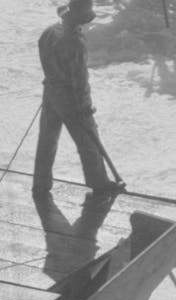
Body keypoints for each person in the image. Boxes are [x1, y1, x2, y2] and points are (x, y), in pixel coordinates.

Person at [32, 0, 125, 199]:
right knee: (88, 143)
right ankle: (99, 183)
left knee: (47, 140)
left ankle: (40, 183)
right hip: (71, 99)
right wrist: (84, 107)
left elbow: (48, 64)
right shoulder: (75, 43)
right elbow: (78, 79)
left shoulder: (48, 32)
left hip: (50, 92)